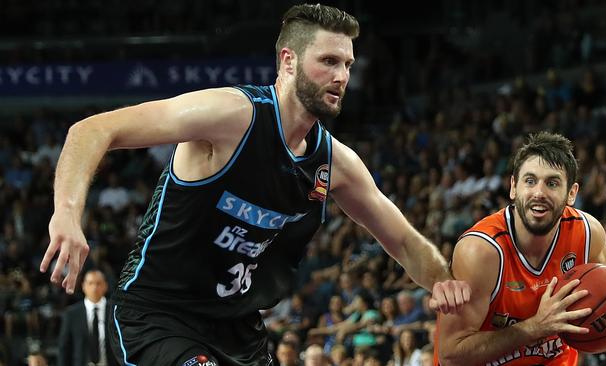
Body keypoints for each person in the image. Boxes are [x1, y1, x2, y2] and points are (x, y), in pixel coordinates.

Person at [39, 3, 470, 366]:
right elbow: (92, 130)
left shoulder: (335, 162)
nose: (342, 76)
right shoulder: (231, 115)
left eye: (348, 65)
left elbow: (406, 242)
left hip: (240, 331)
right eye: (329, 62)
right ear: (288, 60)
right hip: (158, 317)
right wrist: (67, 213)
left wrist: (442, 281)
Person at [434, 132, 606, 365]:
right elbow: (451, 354)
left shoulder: (587, 232)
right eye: (530, 181)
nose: (539, 193)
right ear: (513, 187)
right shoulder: (482, 251)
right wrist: (534, 327)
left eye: (552, 183)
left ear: (571, 193)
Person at [58, 270, 118, 366]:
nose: (94, 288)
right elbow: (64, 348)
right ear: (83, 286)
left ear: (105, 286)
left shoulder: (116, 311)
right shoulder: (71, 314)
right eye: (90, 283)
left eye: (98, 283)